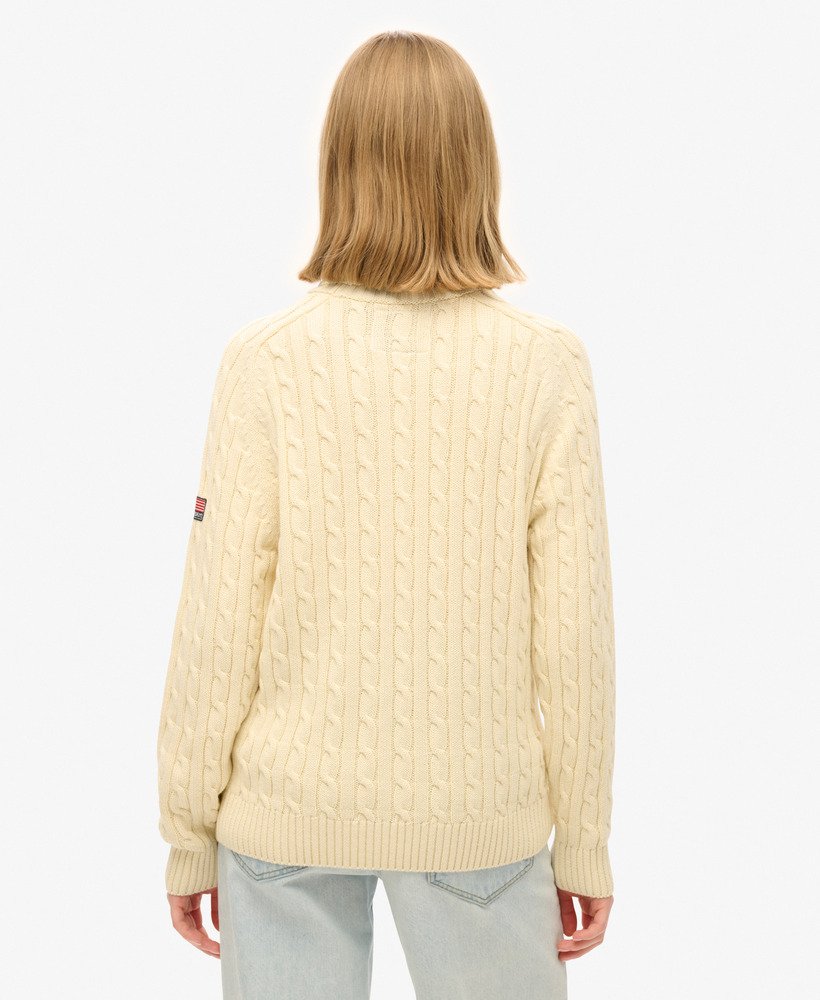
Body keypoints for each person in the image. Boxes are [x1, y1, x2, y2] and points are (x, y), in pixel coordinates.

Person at [156, 29, 616, 1000]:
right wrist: (583, 839)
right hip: (479, 811)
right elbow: (574, 632)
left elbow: (217, 616)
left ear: (339, 165)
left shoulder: (266, 360)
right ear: (476, 166)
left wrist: (188, 830)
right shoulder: (544, 364)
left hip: (286, 814)